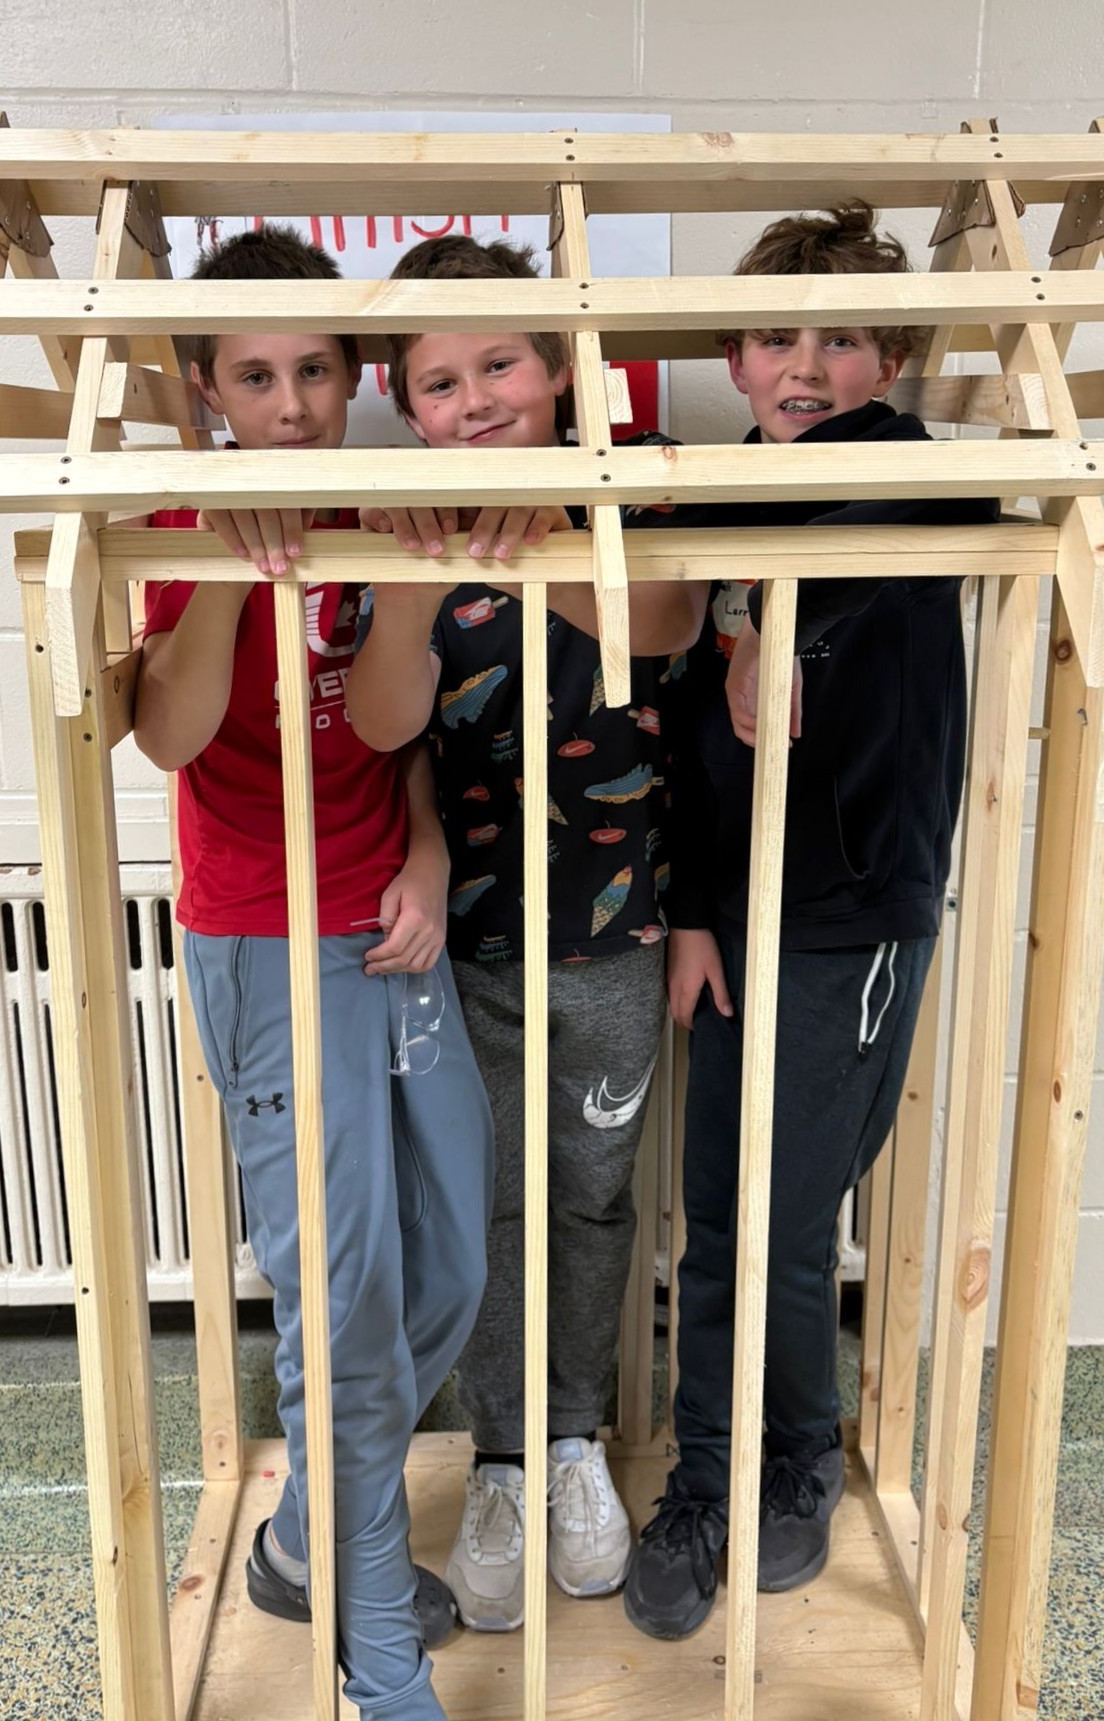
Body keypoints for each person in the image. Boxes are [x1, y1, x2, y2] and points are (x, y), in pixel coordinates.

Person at [133, 224, 491, 1721]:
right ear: (206, 391)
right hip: (261, 945)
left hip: (383, 921)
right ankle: (388, 1704)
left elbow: (394, 723)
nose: (289, 407)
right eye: (255, 378)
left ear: (352, 382)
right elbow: (170, 732)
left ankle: (300, 1536)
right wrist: (224, 554)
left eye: (315, 373)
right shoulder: (172, 512)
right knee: (339, 1314)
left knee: (454, 1261)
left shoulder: (379, 502)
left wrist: (420, 838)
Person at [622, 202, 999, 1641]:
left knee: (784, 1220)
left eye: (840, 338)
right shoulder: (724, 500)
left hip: (851, 914)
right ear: (735, 351)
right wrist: (695, 912)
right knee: (719, 1212)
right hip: (742, 914)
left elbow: (898, 509)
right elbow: (698, 744)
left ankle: (791, 1457)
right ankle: (704, 1479)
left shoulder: (904, 469)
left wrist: (771, 612)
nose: (804, 364)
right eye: (777, 336)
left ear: (888, 356)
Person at [345, 233, 705, 1634]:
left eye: (500, 362)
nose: (476, 398)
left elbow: (665, 625)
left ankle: (571, 1441)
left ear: (560, 372)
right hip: (472, 944)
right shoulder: (394, 519)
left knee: (594, 1192)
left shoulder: (624, 482)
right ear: (408, 405)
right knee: (481, 1202)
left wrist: (546, 529)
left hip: (614, 935)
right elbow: (386, 728)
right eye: (439, 382)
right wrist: (431, 573)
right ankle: (498, 1456)